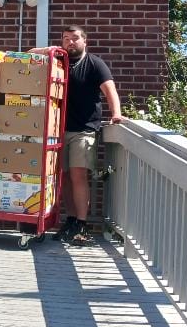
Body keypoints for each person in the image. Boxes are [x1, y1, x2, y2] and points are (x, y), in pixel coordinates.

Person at [35, 25, 124, 246]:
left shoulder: (94, 64)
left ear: (85, 41)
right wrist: (50, 49)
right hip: (58, 130)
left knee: (78, 175)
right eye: (66, 39)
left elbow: (110, 90)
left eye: (75, 38)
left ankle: (82, 224)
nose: (70, 42)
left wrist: (116, 114)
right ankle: (71, 220)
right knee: (63, 176)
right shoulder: (58, 61)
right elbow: (29, 55)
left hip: (84, 129)